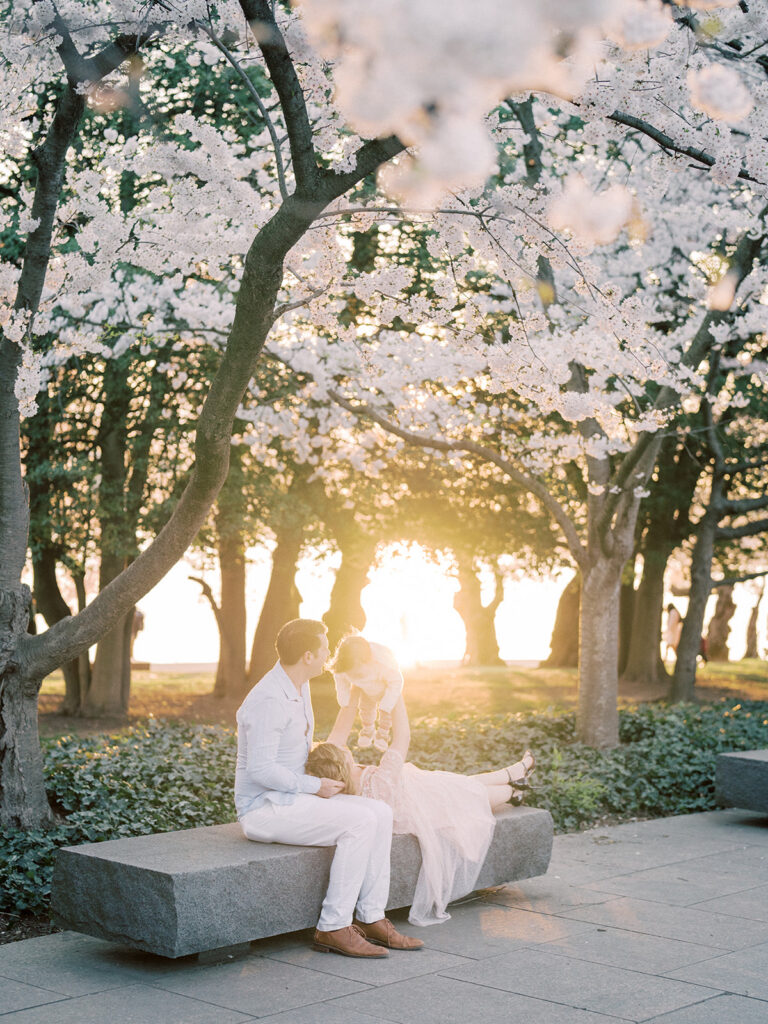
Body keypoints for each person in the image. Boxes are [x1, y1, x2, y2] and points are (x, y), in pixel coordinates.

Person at [235, 618, 423, 958]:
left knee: (380, 812)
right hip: (265, 808)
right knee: (360, 821)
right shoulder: (269, 699)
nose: (328, 654)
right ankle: (334, 926)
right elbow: (260, 770)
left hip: (293, 798)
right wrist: (315, 784)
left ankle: (371, 916)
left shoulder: (297, 685)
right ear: (308, 655)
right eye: (324, 648)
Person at [309, 692, 536, 926]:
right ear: (343, 762)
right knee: (471, 795)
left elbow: (341, 726)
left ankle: (515, 775)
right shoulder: (380, 782)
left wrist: (355, 690)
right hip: (423, 804)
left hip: (418, 785)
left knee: (464, 784)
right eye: (344, 752)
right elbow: (402, 737)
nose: (346, 749)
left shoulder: (336, 779)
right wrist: (395, 695)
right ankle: (516, 791)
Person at [332, 635, 404, 751]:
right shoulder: (343, 669)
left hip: (385, 690)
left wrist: (387, 704)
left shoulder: (381, 666)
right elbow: (341, 682)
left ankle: (383, 733)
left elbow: (396, 681)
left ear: (368, 662)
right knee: (366, 709)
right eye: (351, 674)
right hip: (366, 690)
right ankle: (368, 729)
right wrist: (344, 701)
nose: (354, 677)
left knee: (386, 712)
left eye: (358, 674)